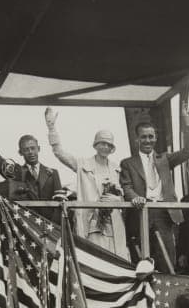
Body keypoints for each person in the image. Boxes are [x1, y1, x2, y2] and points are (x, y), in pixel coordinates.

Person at [120, 107, 189, 272]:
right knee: (140, 263)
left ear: (155, 138)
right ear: (136, 140)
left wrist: (188, 124)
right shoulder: (128, 163)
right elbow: (126, 186)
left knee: (167, 260)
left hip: (164, 214)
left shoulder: (165, 159)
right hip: (141, 213)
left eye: (151, 136)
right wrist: (135, 198)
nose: (147, 140)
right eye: (143, 137)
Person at [45, 108, 129, 259]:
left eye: (109, 145)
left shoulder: (117, 169)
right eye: (102, 143)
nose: (105, 147)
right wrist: (52, 128)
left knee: (117, 259)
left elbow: (125, 193)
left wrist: (119, 200)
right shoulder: (83, 165)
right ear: (95, 145)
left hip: (115, 225)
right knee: (96, 259)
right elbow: (60, 153)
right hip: (92, 224)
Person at [0, 115, 63, 221]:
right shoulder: (17, 172)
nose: (30, 152)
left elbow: (60, 203)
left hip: (50, 227)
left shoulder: (53, 173)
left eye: (33, 148)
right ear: (20, 152)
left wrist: (55, 228)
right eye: (26, 149)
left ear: (38, 149)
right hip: (26, 226)